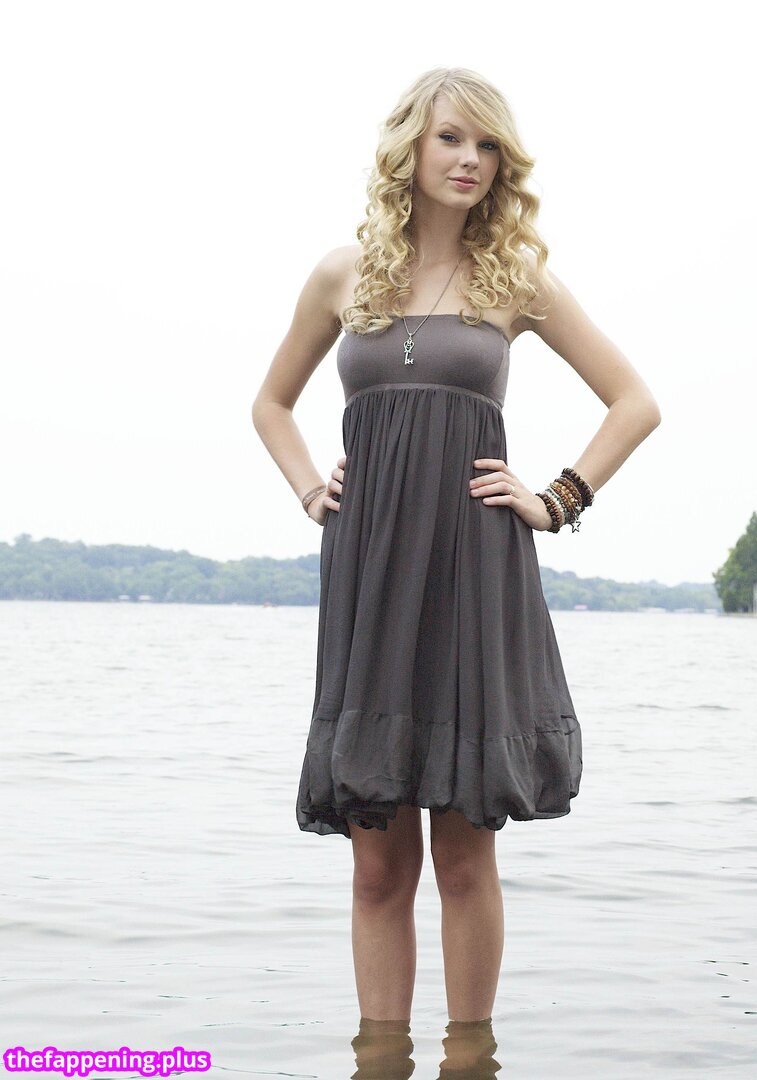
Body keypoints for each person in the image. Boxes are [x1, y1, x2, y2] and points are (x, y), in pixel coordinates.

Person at [251, 67, 661, 1027]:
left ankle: (470, 1057)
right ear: (410, 147)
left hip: (474, 571)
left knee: (466, 855)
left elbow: (634, 402)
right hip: (367, 575)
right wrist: (310, 489)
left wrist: (555, 500)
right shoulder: (342, 274)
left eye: (486, 146)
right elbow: (270, 404)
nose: (469, 160)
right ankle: (379, 1057)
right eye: (450, 138)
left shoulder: (516, 278)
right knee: (374, 863)